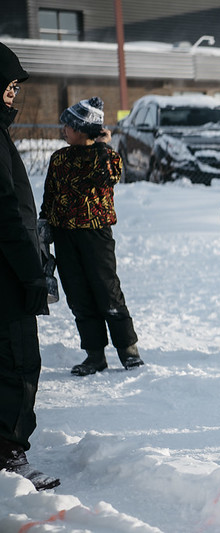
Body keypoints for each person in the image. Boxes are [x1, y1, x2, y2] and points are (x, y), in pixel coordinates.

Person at [39, 96, 144, 376]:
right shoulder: (59, 158)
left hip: (95, 234)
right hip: (64, 234)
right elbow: (50, 193)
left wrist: (101, 146)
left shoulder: (107, 156)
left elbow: (108, 176)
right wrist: (44, 221)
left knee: (107, 291)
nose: (64, 130)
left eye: (69, 126)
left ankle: (128, 351)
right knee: (78, 295)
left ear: (82, 130)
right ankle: (95, 354)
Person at [0, 41, 60, 490]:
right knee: (18, 362)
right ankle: (8, 454)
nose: (14, 92)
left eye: (16, 85)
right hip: (6, 274)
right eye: (8, 83)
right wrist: (30, 273)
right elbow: (5, 211)